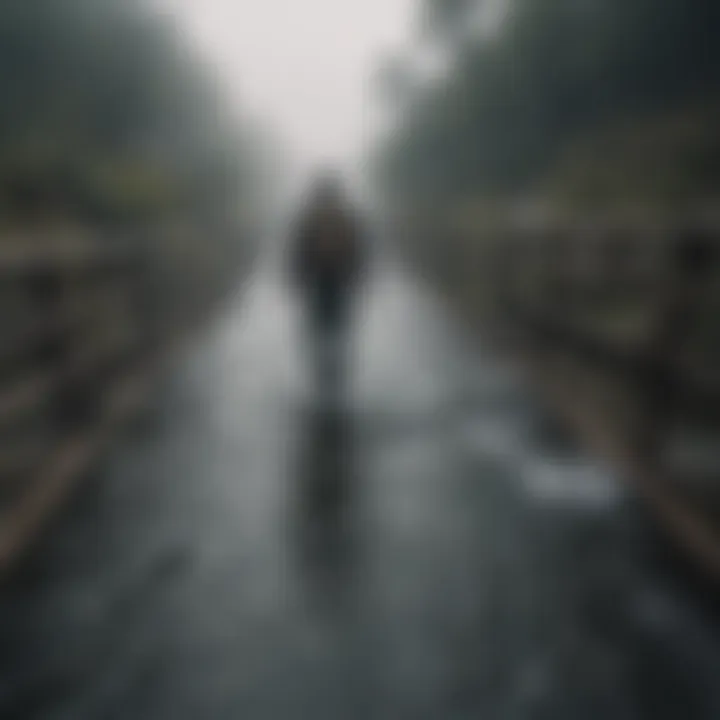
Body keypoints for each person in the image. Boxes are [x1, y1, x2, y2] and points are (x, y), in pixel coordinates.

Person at [289, 173, 367, 392]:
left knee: (323, 315)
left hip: (324, 273)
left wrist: (298, 274)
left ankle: (325, 359)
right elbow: (358, 246)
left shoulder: (313, 218)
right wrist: (358, 272)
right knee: (334, 315)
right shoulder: (344, 217)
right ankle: (333, 359)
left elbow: (299, 247)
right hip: (335, 273)